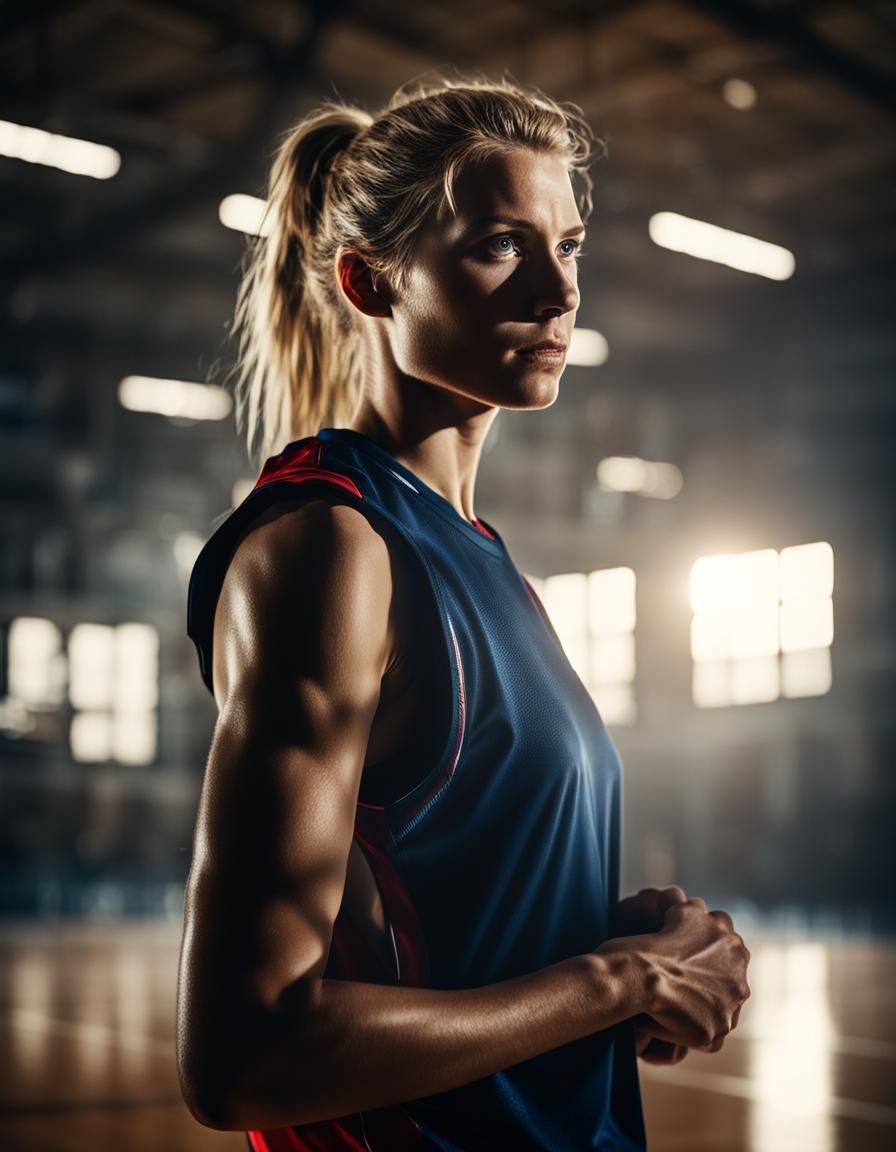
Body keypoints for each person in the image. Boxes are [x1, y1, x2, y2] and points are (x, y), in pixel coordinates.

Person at [176, 70, 751, 1152]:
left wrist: (644, 963)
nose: (558, 290)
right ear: (368, 283)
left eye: (568, 245)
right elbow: (242, 1054)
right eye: (499, 244)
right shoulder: (329, 550)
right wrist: (608, 979)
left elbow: (453, 940)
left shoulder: (494, 569)